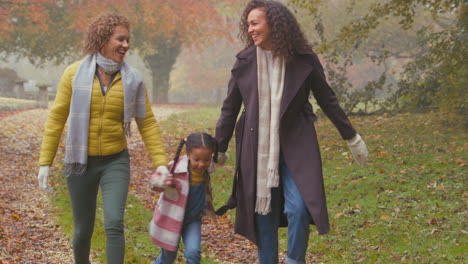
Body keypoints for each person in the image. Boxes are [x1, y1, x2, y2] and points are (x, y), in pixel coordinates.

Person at [214, 1, 369, 264]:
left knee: (298, 208)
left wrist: (351, 137)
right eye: (248, 24)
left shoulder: (303, 59)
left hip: (297, 146)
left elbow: (327, 99)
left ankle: (294, 260)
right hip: (256, 148)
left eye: (255, 23)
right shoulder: (245, 61)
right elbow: (230, 107)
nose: (250, 29)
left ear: (274, 24)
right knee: (263, 214)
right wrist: (219, 146)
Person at [36, 13, 170, 264]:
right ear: (102, 40)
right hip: (80, 162)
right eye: (120, 39)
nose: (126, 45)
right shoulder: (73, 74)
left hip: (114, 160)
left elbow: (147, 122)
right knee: (82, 230)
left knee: (114, 223)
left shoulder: (133, 79)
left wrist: (160, 162)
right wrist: (45, 162)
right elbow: (56, 118)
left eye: (128, 40)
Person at [149, 132, 217, 264]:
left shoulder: (206, 169)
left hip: (192, 221)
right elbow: (153, 184)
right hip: (171, 219)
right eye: (197, 159)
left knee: (193, 253)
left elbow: (219, 159)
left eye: (206, 160)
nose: (201, 164)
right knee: (168, 258)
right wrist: (161, 180)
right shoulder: (175, 168)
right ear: (188, 154)